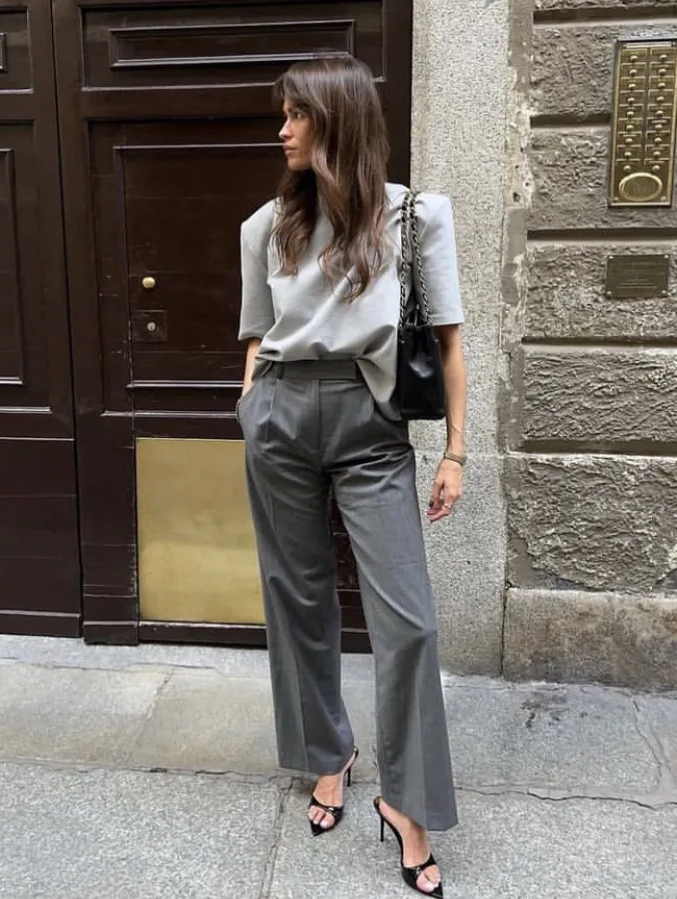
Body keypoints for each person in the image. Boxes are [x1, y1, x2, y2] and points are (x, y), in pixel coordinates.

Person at [236, 53, 467, 897]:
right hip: (283, 415)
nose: (284, 129)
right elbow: (257, 334)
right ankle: (326, 753)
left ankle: (408, 803)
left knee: (408, 622)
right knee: (295, 596)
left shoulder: (415, 217)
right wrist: (250, 405)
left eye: (297, 113)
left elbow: (447, 339)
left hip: (372, 426)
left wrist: (455, 451)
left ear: (337, 117)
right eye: (283, 113)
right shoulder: (266, 226)